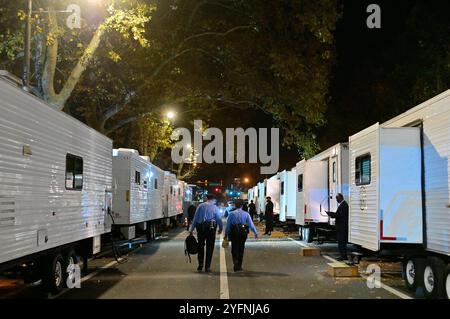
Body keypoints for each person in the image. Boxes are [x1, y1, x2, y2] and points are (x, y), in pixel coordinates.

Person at [190, 195, 223, 272]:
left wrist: (191, 229)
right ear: (213, 199)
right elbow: (218, 218)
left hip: (201, 228)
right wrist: (220, 228)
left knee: (200, 246)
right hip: (211, 228)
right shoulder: (215, 207)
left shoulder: (200, 206)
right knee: (210, 247)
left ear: (206, 199)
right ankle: (207, 267)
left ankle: (200, 264)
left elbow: (195, 218)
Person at [225, 201, 258, 272]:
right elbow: (251, 224)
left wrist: (226, 234)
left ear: (235, 206)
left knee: (234, 247)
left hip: (234, 232)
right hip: (243, 232)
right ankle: (239, 265)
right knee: (241, 247)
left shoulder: (231, 214)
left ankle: (235, 261)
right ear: (242, 206)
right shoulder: (246, 214)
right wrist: (255, 233)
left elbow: (228, 225)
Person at [325, 193, 349, 261]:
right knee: (340, 242)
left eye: (337, 198)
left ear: (340, 198)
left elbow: (339, 215)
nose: (336, 200)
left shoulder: (344, 205)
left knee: (342, 242)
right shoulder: (342, 204)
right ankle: (342, 255)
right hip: (341, 227)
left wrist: (331, 214)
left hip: (342, 227)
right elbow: (339, 214)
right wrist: (331, 213)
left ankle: (343, 256)